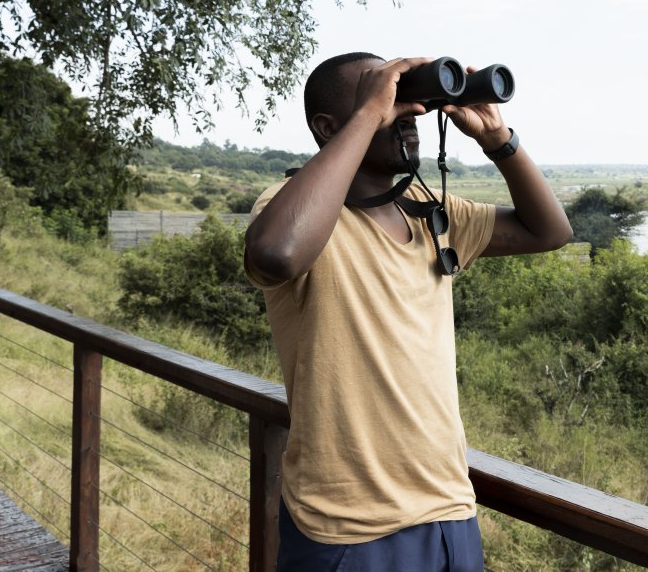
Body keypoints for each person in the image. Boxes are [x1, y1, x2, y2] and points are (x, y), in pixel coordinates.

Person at [243, 53, 572, 571]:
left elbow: (550, 231)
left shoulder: (431, 210)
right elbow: (274, 253)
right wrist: (370, 115)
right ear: (329, 127)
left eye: (409, 104)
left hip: (448, 510)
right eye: (386, 102)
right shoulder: (289, 209)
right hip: (346, 523)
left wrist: (497, 140)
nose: (409, 115)